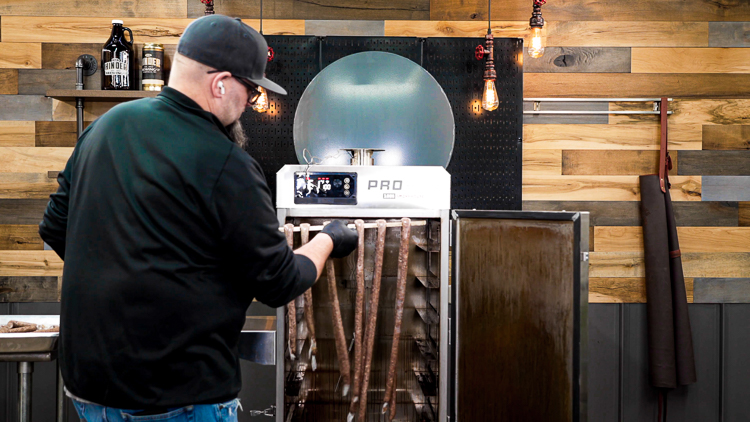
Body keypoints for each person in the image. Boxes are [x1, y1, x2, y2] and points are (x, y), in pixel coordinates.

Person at [38, 14, 358, 422]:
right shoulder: (225, 162)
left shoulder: (105, 128)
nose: (250, 103)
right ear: (220, 83)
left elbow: (54, 228)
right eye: (251, 90)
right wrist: (329, 238)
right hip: (178, 397)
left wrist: (132, 275)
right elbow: (279, 282)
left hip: (88, 391)